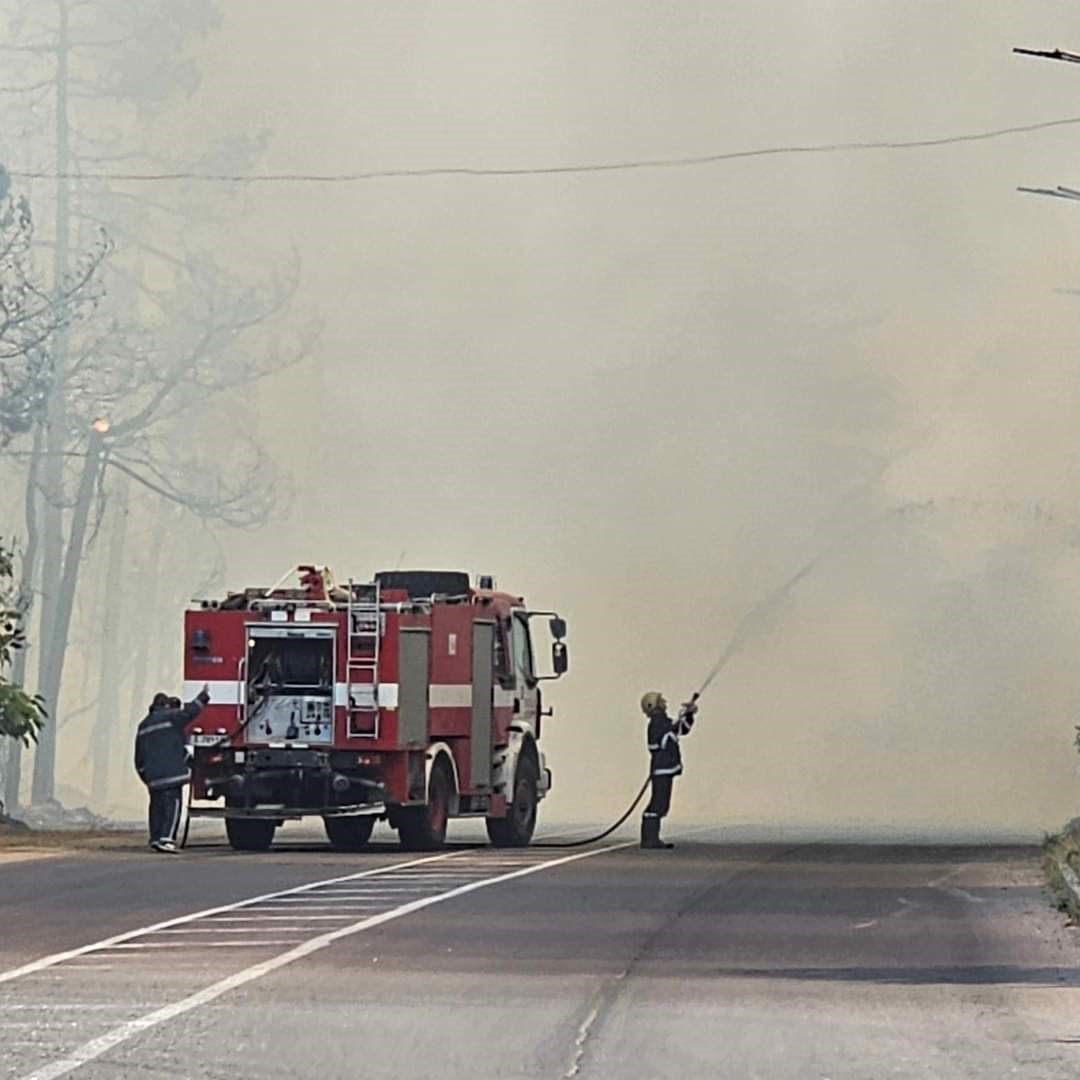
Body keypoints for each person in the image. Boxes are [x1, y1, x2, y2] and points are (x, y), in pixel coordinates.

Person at [134, 686, 209, 853]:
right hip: (171, 775)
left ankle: (155, 837)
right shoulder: (170, 718)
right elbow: (190, 713)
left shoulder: (143, 725)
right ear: (167, 706)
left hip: (153, 777)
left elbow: (138, 757)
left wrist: (145, 775)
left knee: (156, 807)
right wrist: (203, 697)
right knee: (172, 805)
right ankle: (166, 839)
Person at [640, 690, 697, 850]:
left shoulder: (663, 722)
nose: (664, 703)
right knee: (658, 804)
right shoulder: (657, 724)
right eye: (661, 701)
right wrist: (670, 731)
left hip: (666, 769)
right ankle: (649, 839)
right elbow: (657, 744)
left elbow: (682, 730)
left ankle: (652, 838)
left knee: (662, 805)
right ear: (654, 705)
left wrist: (689, 715)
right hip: (661, 770)